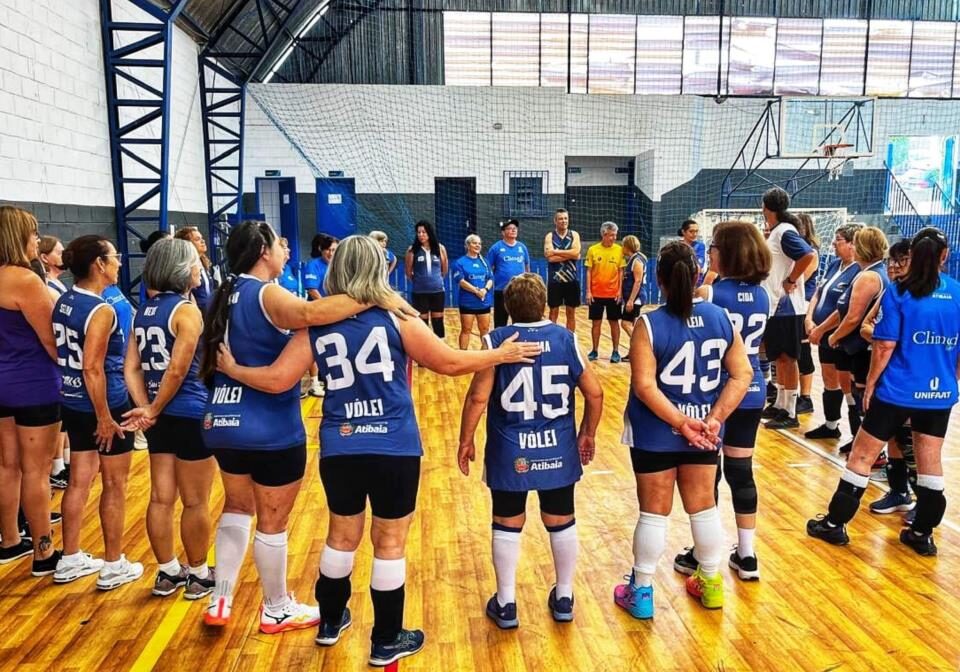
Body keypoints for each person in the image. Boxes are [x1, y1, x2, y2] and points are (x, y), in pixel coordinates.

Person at [214, 234, 540, 665]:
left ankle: (330, 622)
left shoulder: (318, 324)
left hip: (340, 444)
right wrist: (500, 354)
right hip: (393, 445)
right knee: (389, 543)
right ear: (377, 270)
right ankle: (386, 639)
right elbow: (448, 362)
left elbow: (278, 379)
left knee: (340, 536)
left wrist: (233, 369)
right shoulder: (398, 317)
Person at [197, 221, 417, 634]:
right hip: (267, 424)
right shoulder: (266, 292)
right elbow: (314, 314)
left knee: (236, 507)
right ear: (263, 250)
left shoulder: (221, 293)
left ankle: (221, 595)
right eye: (280, 242)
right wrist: (380, 296)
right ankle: (277, 607)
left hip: (221, 417)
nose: (285, 248)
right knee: (272, 522)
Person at [614, 241, 752, 619]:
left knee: (654, 512)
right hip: (704, 430)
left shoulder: (648, 322)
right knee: (703, 508)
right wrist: (714, 419)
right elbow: (743, 374)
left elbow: (645, 386)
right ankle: (710, 584)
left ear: (658, 279)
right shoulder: (721, 317)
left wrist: (679, 423)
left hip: (657, 430)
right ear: (697, 275)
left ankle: (641, 591)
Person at [458, 273, 603, 628]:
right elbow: (596, 393)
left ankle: (506, 602)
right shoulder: (566, 338)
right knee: (561, 518)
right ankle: (565, 596)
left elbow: (479, 396)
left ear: (508, 306)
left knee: (507, 522)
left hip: (511, 447)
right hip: (557, 444)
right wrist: (588, 433)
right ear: (543, 303)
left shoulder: (497, 341)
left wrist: (466, 439)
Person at [807, 228, 959, 557]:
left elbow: (885, 344)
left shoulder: (899, 291)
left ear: (914, 255)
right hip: (939, 394)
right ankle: (921, 533)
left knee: (861, 456)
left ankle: (834, 524)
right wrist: (951, 378)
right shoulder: (957, 293)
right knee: (930, 462)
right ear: (944, 256)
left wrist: (873, 383)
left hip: (898, 390)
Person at [672, 221, 771, 581]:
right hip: (754, 389)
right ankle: (747, 556)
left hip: (720, 394)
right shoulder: (763, 295)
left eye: (714, 245)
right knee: (741, 472)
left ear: (726, 252)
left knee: (707, 474)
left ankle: (703, 553)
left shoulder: (711, 293)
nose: (709, 250)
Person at [122, 239, 216, 599]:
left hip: (159, 418)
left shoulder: (141, 312)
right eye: (195, 264)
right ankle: (198, 574)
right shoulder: (187, 311)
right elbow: (177, 371)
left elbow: (131, 368)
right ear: (181, 270)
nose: (199, 269)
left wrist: (146, 408)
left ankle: (166, 572)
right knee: (195, 500)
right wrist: (155, 408)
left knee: (161, 497)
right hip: (189, 413)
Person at [52, 235, 142, 589]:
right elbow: (93, 368)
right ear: (99, 265)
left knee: (78, 479)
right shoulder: (101, 310)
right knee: (114, 484)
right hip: (104, 402)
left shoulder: (64, 300)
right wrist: (105, 416)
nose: (119, 262)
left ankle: (70, 558)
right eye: (114, 257)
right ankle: (113, 564)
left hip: (72, 400)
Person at [0, 207, 61, 572]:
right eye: (34, 234)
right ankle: (43, 552)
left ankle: (9, 540)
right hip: (33, 384)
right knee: (36, 471)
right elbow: (52, 341)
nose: (37, 240)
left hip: (2, 382)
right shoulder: (24, 280)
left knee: (7, 466)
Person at [811, 227, 889, 462]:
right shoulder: (865, 272)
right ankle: (861, 445)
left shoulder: (869, 276)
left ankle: (872, 454)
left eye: (855, 243)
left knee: (864, 398)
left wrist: (833, 337)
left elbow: (853, 317)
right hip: (857, 348)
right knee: (856, 395)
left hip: (862, 349)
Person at [861, 240, 918, 518]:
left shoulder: (926, 296)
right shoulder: (890, 293)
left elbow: (885, 337)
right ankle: (899, 492)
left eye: (901, 260)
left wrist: (892, 339)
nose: (894, 266)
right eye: (891, 260)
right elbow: (866, 327)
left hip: (912, 379)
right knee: (895, 437)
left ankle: (923, 503)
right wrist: (891, 337)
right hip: (889, 374)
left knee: (911, 440)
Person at [759, 187, 817, 430]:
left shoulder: (784, 231)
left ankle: (790, 411)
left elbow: (808, 254)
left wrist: (791, 280)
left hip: (788, 307)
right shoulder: (777, 231)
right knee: (779, 358)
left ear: (766, 207)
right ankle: (781, 403)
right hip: (775, 306)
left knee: (787, 358)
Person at [804, 224, 861, 443]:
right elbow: (818, 293)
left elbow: (844, 309)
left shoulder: (859, 271)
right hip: (824, 334)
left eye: (839, 240)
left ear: (852, 243)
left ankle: (857, 434)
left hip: (840, 336)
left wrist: (821, 328)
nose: (834, 243)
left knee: (847, 385)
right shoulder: (835, 264)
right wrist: (809, 318)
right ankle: (831, 425)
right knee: (829, 379)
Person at [38, 235, 71, 489]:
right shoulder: (47, 288)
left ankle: (63, 463)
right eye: (58, 252)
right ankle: (57, 466)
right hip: (53, 364)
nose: (63, 255)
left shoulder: (58, 286)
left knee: (63, 419)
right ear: (44, 257)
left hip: (61, 364)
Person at [303, 233, 338, 397]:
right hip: (318, 311)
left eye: (334, 250)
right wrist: (326, 306)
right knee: (315, 347)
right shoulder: (313, 265)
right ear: (321, 250)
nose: (331, 253)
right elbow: (312, 289)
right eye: (328, 250)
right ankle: (314, 383)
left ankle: (331, 378)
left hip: (335, 312)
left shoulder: (337, 265)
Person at [585, 221, 625, 362]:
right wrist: (588, 291)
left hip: (613, 294)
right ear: (604, 234)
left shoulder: (619, 250)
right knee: (596, 323)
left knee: (614, 322)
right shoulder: (593, 250)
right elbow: (589, 271)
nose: (614, 237)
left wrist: (620, 291)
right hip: (596, 294)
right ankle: (594, 350)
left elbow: (621, 272)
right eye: (611, 235)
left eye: (615, 235)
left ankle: (615, 351)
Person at [794, 214, 820, 415]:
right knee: (791, 353)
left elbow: (801, 278)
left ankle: (806, 397)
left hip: (804, 305)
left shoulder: (811, 252)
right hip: (792, 306)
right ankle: (790, 396)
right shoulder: (795, 251)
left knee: (803, 354)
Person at [404, 221, 449, 339]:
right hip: (420, 293)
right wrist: (421, 282)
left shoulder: (440, 248)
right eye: (418, 232)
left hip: (437, 291)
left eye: (423, 232)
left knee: (438, 322)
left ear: (429, 233)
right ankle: (424, 353)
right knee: (422, 324)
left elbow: (444, 270)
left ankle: (440, 352)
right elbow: (408, 272)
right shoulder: (412, 250)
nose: (421, 235)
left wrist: (434, 281)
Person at [451, 234, 493, 350]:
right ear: (468, 245)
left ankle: (484, 356)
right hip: (468, 302)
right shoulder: (460, 262)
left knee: (484, 330)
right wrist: (476, 291)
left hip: (483, 302)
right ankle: (463, 355)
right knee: (466, 330)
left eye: (479, 243)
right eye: (475, 243)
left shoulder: (485, 262)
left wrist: (484, 290)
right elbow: (461, 281)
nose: (478, 245)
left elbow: (490, 279)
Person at [487, 219, 531, 328]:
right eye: (510, 228)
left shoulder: (522, 247)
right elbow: (488, 269)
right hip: (501, 290)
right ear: (503, 232)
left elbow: (526, 267)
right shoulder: (495, 248)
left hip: (519, 291)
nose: (513, 230)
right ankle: (500, 343)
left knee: (521, 321)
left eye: (515, 228)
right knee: (500, 322)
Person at [543, 209, 581, 332]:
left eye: (565, 218)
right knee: (553, 312)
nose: (563, 221)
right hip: (555, 280)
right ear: (555, 221)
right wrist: (569, 254)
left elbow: (576, 253)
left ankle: (570, 338)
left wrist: (556, 251)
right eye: (560, 218)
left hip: (571, 279)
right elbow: (550, 258)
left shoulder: (574, 234)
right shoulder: (550, 236)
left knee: (571, 312)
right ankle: (552, 337)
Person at [174, 227, 217, 312]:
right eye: (197, 239)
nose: (203, 241)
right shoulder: (185, 266)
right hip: (195, 310)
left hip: (208, 311)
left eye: (202, 238)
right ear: (187, 244)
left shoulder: (203, 262)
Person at [620, 235, 647, 347]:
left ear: (627, 246)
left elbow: (638, 281)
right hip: (633, 297)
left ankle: (640, 345)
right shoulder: (635, 258)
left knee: (625, 323)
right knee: (633, 324)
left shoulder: (637, 260)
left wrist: (631, 300)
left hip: (636, 297)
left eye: (623, 245)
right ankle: (634, 351)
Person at [138, 230, 173, 305]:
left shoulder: (168, 266)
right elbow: (158, 298)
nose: (173, 247)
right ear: (158, 247)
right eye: (169, 244)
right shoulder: (150, 269)